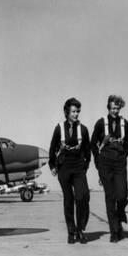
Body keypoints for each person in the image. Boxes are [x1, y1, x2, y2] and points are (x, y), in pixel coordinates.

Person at [49, 98, 91, 244]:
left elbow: (87, 150)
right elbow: (53, 147)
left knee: (82, 197)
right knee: (69, 200)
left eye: (78, 111)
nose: (76, 114)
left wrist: (85, 167)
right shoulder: (59, 128)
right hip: (64, 166)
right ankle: (71, 232)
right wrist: (52, 166)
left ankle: (80, 229)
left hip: (79, 166)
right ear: (67, 112)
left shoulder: (83, 129)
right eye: (73, 111)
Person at [91, 95, 128, 243]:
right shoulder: (101, 123)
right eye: (113, 108)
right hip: (105, 162)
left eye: (117, 108)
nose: (115, 110)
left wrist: (123, 157)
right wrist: (98, 161)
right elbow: (92, 143)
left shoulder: (124, 123)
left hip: (119, 162)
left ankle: (120, 214)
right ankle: (114, 231)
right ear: (108, 107)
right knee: (110, 197)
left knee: (121, 195)